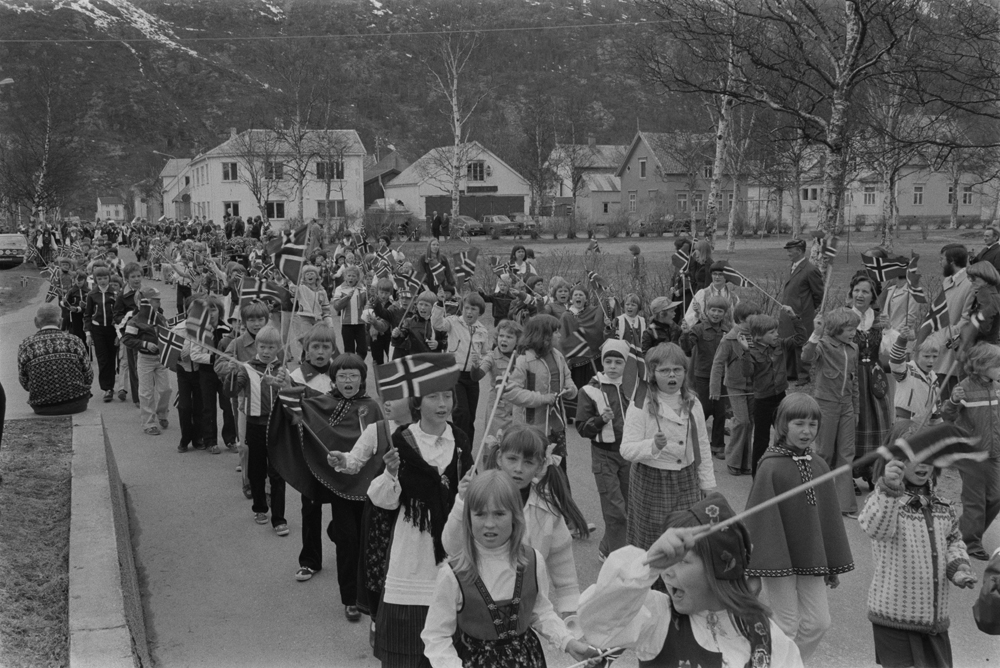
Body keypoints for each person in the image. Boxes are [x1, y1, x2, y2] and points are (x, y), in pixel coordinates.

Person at [578, 492, 804, 668]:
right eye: (665, 561)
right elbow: (595, 623)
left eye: (682, 561)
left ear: (719, 571)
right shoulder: (657, 618)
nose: (666, 572)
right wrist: (649, 565)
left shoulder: (765, 634)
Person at [336, 389, 472, 668]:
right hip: (412, 551)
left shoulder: (460, 440)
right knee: (406, 655)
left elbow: (471, 497)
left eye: (448, 396)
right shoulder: (402, 440)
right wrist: (391, 474)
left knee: (450, 649)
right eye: (434, 397)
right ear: (417, 403)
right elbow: (383, 501)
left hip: (453, 551)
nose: (443, 404)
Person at [423, 471, 597, 667]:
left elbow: (539, 612)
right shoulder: (453, 574)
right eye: (480, 514)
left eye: (499, 514)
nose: (489, 523)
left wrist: (569, 643)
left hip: (527, 660)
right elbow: (436, 635)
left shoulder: (532, 560)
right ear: (468, 518)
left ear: (515, 516)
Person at [743, 393, 854, 662]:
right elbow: (759, 522)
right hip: (777, 559)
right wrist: (754, 569)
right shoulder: (770, 467)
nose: (806, 431)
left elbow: (826, 521)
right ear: (783, 426)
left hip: (811, 560)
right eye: (799, 424)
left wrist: (828, 563)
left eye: (812, 425)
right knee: (787, 624)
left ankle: (790, 662)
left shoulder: (819, 465)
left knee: (819, 622)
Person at [859, 421, 978, 668]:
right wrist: (889, 488)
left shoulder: (943, 507)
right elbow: (876, 529)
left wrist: (959, 568)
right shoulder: (886, 500)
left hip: (934, 621)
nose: (923, 464)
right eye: (915, 457)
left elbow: (954, 542)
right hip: (894, 619)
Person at [444, 425, 587, 614]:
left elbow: (563, 567)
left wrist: (570, 610)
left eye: (528, 462)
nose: (518, 468)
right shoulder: (479, 496)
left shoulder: (548, 508)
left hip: (527, 613)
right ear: (499, 458)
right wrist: (462, 503)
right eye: (512, 459)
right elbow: (452, 547)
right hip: (477, 610)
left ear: (540, 465)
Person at [294, 352, 375, 623]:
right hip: (341, 485)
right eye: (342, 376)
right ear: (334, 379)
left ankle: (367, 593)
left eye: (354, 376)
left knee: (366, 541)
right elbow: (302, 403)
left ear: (362, 379)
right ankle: (350, 599)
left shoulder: (372, 407)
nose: (348, 381)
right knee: (348, 543)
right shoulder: (326, 403)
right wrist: (281, 385)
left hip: (369, 485)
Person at [621, 343, 716, 551]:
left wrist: (708, 484)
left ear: (684, 371)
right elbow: (626, 449)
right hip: (652, 480)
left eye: (677, 370)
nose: (672, 375)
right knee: (654, 544)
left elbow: (702, 445)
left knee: (685, 539)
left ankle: (680, 583)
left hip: (687, 479)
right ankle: (654, 584)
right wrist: (653, 446)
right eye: (664, 370)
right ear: (652, 374)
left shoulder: (693, 402)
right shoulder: (642, 404)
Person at [941, 342, 1000, 561]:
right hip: (970, 453)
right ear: (981, 366)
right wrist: (954, 400)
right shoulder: (964, 387)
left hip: (994, 452)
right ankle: (971, 542)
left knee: (995, 497)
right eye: (997, 364)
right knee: (975, 500)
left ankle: (964, 532)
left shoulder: (997, 386)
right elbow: (947, 414)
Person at [802, 308, 861, 516]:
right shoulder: (824, 344)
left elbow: (854, 381)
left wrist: (856, 409)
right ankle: (815, 500)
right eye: (848, 329)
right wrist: (816, 334)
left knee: (846, 454)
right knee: (824, 452)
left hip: (847, 405)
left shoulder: (853, 348)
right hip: (825, 404)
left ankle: (845, 505)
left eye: (855, 328)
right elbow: (806, 357)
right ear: (836, 329)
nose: (853, 332)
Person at [576, 339, 631, 560]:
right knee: (614, 509)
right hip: (603, 455)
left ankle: (607, 547)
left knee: (628, 506)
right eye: (608, 361)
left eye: (619, 362)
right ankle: (619, 559)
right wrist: (600, 420)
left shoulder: (632, 387)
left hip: (628, 454)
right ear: (602, 362)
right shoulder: (590, 390)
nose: (613, 366)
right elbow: (581, 427)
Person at [232, 324, 289, 536]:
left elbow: (291, 394)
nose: (266, 351)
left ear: (278, 348)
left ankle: (279, 518)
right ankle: (259, 508)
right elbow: (234, 389)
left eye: (271, 347)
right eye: (263, 346)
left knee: (277, 473)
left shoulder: (283, 370)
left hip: (276, 427)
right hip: (254, 425)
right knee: (257, 471)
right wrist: (230, 375)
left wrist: (283, 383)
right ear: (256, 346)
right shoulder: (246, 367)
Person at [505, 315, 576, 475]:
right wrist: (542, 398)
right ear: (543, 335)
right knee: (535, 472)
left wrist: (571, 389)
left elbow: (568, 377)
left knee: (558, 473)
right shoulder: (523, 360)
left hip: (556, 427)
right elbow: (511, 392)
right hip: (531, 428)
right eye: (555, 332)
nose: (559, 335)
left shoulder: (557, 355)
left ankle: (558, 499)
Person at [849, 272, 892, 491]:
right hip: (853, 379)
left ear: (872, 295)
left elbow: (889, 353)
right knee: (853, 425)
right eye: (856, 290)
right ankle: (849, 474)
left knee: (878, 424)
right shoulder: (845, 316)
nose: (860, 295)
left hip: (875, 379)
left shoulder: (879, 318)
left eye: (865, 291)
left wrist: (888, 329)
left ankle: (872, 472)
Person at [710, 301, 759, 476]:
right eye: (749, 320)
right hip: (735, 386)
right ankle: (733, 460)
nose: (753, 323)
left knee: (750, 423)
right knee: (742, 421)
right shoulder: (729, 338)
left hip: (754, 386)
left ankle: (745, 463)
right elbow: (717, 364)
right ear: (740, 319)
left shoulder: (757, 336)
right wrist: (714, 389)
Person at [432, 292, 489, 443]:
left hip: (472, 377)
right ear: (462, 308)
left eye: (474, 309)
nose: (469, 312)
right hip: (455, 375)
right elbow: (437, 324)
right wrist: (439, 303)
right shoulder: (453, 322)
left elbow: (484, 353)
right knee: (461, 413)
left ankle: (466, 454)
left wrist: (479, 362)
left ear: (480, 313)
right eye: (467, 308)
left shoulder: (482, 330)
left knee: (471, 416)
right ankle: (457, 447)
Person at [17, 303, 92, 415]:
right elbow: (88, 377)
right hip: (77, 403)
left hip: (42, 406)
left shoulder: (25, 345)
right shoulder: (75, 340)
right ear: (60, 321)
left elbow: (24, 382)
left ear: (36, 322)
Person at [743, 313, 795, 475]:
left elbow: (800, 339)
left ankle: (782, 471)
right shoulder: (751, 351)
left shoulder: (779, 345)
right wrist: (745, 352)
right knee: (761, 440)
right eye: (771, 332)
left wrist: (794, 318)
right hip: (762, 401)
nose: (776, 334)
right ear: (758, 336)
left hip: (780, 397)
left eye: (776, 331)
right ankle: (757, 475)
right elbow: (746, 373)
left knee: (785, 435)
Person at [680, 294, 730, 460]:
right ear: (707, 311)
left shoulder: (727, 330)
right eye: (713, 310)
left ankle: (717, 445)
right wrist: (686, 334)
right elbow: (687, 347)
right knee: (704, 410)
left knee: (720, 412)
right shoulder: (699, 328)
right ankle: (690, 439)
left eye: (720, 311)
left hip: (722, 377)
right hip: (703, 376)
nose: (716, 314)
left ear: (724, 313)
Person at [121, 287, 172, 435]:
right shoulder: (135, 321)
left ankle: (162, 413)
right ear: (146, 302)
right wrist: (145, 344)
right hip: (145, 359)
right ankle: (148, 423)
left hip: (161, 358)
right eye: (156, 300)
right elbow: (127, 339)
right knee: (146, 392)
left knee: (166, 389)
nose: (159, 302)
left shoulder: (160, 318)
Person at [930, 244, 974, 395]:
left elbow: (966, 319)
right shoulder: (947, 281)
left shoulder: (969, 284)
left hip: (953, 352)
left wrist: (946, 337)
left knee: (951, 399)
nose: (940, 262)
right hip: (939, 349)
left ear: (952, 260)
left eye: (942, 259)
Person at [778, 238, 824, 383]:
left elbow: (819, 294)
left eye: (790, 251)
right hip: (788, 314)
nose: (788, 254)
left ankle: (803, 376)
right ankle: (791, 373)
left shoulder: (811, 270)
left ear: (799, 251)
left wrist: (806, 308)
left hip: (802, 314)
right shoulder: (791, 266)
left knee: (801, 344)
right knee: (788, 342)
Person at [470, 319, 521, 438]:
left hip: (517, 408)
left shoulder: (522, 358)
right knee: (493, 444)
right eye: (501, 336)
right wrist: (475, 366)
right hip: (498, 408)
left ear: (517, 341)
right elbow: (476, 376)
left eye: (509, 337)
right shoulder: (491, 357)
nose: (504, 339)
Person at [889, 329, 940, 424]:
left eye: (935, 356)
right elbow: (895, 362)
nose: (931, 361)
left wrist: (937, 425)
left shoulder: (934, 379)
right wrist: (901, 340)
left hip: (923, 425)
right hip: (904, 421)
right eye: (926, 356)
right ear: (915, 355)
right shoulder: (906, 371)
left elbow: (935, 409)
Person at [84, 266, 120, 402]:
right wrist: (88, 333)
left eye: (105, 278)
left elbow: (119, 313)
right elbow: (87, 315)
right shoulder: (92, 295)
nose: (103, 281)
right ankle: (107, 388)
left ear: (109, 278)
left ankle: (113, 384)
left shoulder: (115, 294)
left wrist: (119, 333)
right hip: (98, 330)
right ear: (95, 280)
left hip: (112, 329)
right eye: (99, 278)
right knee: (102, 358)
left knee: (112, 357)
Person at [113, 262, 143, 404]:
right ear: (126, 278)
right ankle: (137, 398)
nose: (136, 279)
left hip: (146, 333)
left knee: (147, 365)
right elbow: (117, 316)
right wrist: (129, 317)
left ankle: (147, 392)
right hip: (131, 334)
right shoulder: (122, 296)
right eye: (133, 277)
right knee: (134, 366)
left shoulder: (147, 291)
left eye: (138, 276)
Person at [683, 261, 740, 328]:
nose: (717, 277)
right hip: (706, 335)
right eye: (714, 274)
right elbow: (688, 318)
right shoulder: (702, 294)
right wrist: (696, 314)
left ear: (727, 277)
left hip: (727, 334)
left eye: (720, 274)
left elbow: (736, 321)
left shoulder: (734, 297)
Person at [391, 291, 447, 356]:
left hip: (433, 361)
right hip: (416, 361)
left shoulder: (440, 323)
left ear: (433, 307)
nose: (422, 307)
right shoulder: (409, 321)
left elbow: (448, 340)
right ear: (416, 305)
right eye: (420, 304)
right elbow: (400, 340)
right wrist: (396, 336)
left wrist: (439, 344)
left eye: (426, 305)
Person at [332, 265, 369, 359]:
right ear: (345, 277)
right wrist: (347, 297)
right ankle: (351, 368)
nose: (351, 278)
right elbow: (336, 307)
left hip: (360, 324)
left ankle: (358, 364)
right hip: (347, 324)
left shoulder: (363, 289)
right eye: (349, 276)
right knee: (349, 351)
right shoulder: (340, 289)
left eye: (353, 276)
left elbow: (367, 305)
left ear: (357, 277)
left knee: (363, 350)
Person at [965, 261, 1000, 345]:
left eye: (973, 277)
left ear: (986, 278)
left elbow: (983, 328)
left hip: (983, 348)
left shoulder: (987, 297)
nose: (970, 280)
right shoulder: (989, 294)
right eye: (969, 277)